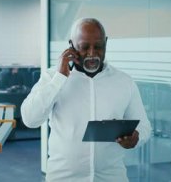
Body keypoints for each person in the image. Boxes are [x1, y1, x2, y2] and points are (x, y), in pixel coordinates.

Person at [21, 18, 151, 182]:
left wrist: (136, 138)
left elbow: (145, 127)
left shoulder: (124, 81)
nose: (92, 53)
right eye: (84, 47)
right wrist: (59, 78)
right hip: (63, 178)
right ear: (71, 46)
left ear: (106, 43)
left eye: (98, 47)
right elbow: (30, 119)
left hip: (112, 177)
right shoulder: (52, 77)